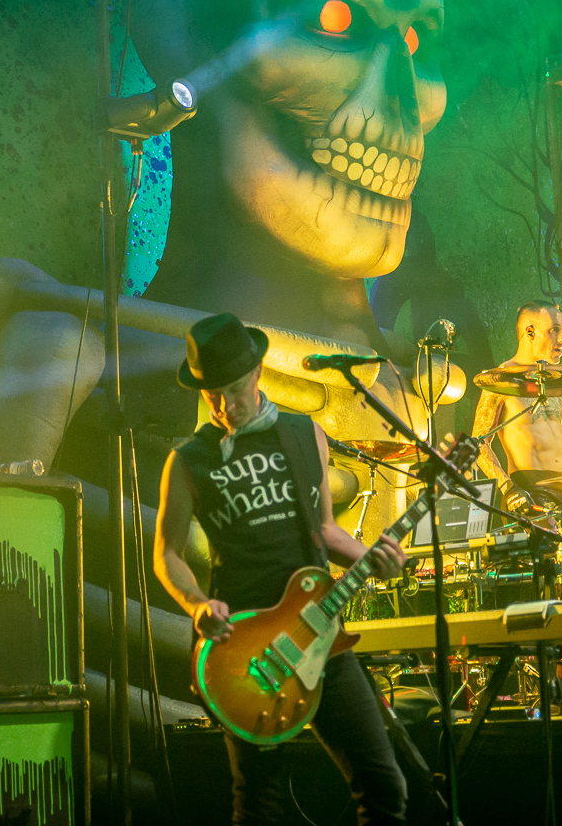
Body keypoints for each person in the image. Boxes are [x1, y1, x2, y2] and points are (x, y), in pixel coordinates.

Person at [153, 313, 409, 825]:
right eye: (212, 395)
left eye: (233, 390)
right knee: (260, 806)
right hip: (247, 650)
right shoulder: (188, 460)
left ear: (257, 372)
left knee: (385, 787)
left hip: (319, 632)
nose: (225, 406)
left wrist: (374, 559)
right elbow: (167, 553)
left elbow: (325, 530)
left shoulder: (303, 433)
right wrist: (197, 605)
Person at [473, 300, 562, 509]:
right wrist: (508, 488)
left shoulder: (552, 381)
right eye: (554, 330)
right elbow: (479, 444)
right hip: (527, 492)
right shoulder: (501, 380)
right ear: (530, 332)